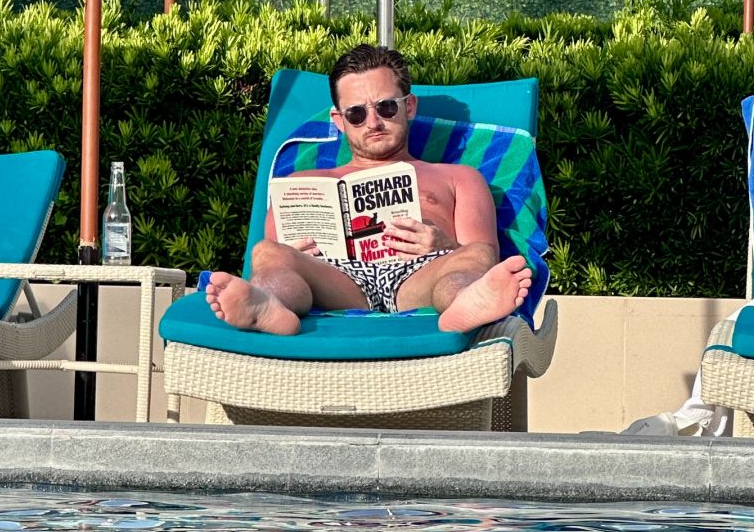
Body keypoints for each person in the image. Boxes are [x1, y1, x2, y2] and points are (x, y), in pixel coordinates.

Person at [206, 44, 532, 336]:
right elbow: (276, 252)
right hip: (336, 280)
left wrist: (445, 245)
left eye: (386, 107)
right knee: (268, 253)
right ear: (338, 120)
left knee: (475, 254)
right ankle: (267, 306)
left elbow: (483, 254)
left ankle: (464, 303)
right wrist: (294, 255)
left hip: (421, 275)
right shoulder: (302, 183)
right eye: (357, 114)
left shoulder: (458, 178)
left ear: (410, 107)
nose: (373, 123)